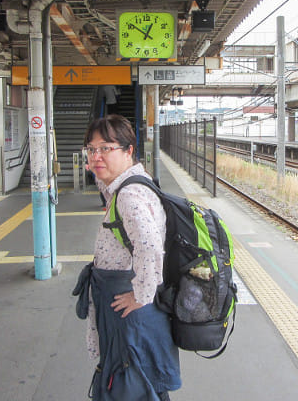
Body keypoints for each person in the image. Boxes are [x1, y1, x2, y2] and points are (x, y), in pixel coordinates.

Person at [73, 114, 181, 401]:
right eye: (91, 149)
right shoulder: (132, 183)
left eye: (106, 148)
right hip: (131, 310)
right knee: (142, 382)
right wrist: (102, 175)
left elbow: (149, 246)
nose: (97, 156)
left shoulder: (128, 195)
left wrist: (140, 295)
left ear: (129, 150)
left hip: (128, 310)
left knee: (128, 384)